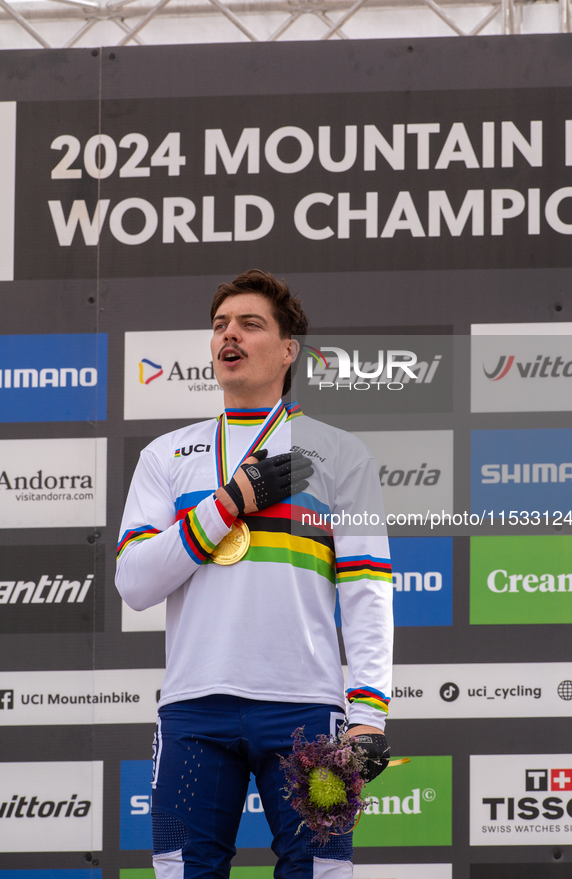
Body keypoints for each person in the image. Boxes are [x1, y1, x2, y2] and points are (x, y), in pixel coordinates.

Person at [116, 270, 394, 879]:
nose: (229, 336)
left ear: (288, 348)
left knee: (319, 870)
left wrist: (369, 714)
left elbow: (367, 589)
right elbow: (134, 583)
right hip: (194, 709)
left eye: (250, 324)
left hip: (307, 710)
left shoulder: (342, 455)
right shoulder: (164, 456)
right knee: (181, 869)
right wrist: (225, 506)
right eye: (219, 326)